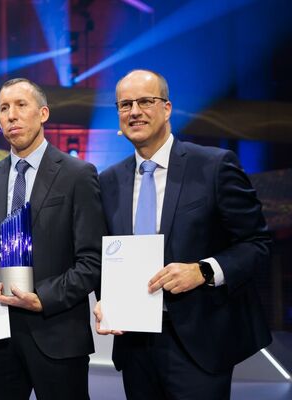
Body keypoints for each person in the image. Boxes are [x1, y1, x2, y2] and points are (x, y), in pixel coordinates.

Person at [94, 69, 272, 399]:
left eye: (146, 101)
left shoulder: (214, 165)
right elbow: (103, 254)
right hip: (135, 344)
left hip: (199, 343)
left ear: (167, 108)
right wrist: (104, 298)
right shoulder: (108, 181)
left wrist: (204, 271)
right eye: (125, 104)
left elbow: (257, 245)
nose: (134, 111)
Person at [0, 78, 106, 399]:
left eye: (20, 105)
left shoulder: (77, 174)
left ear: (43, 113)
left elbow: (93, 260)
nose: (11, 115)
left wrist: (43, 297)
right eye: (3, 108)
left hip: (57, 334)